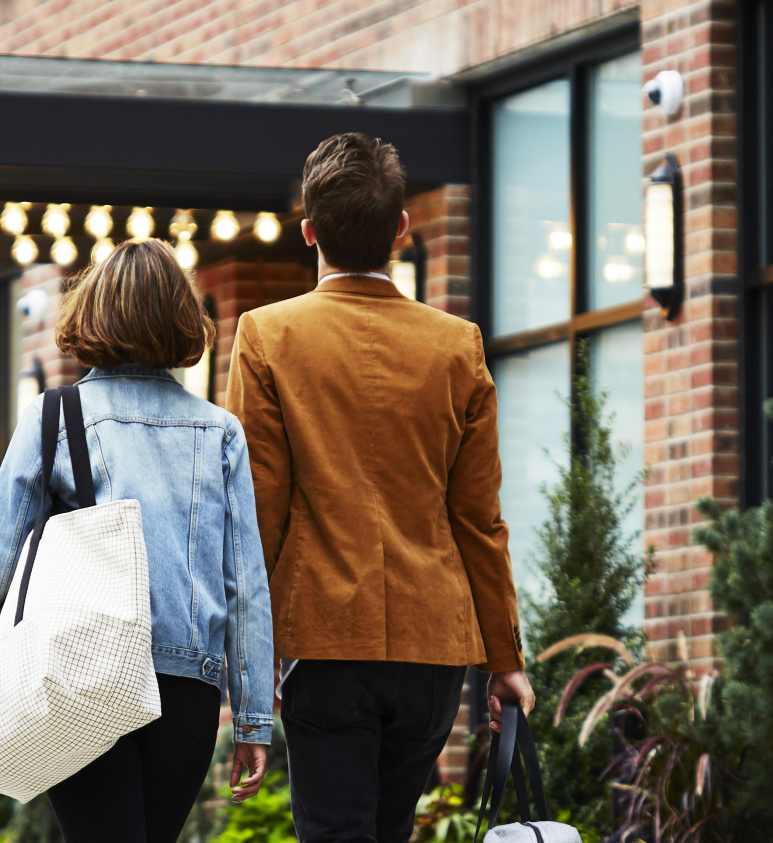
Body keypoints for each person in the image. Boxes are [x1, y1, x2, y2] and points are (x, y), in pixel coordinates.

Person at [225, 132, 536, 843]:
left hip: (325, 641)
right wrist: (505, 659)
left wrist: (249, 659)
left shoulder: (267, 335)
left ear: (308, 230)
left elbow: (258, 512)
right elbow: (479, 519)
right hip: (434, 650)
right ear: (401, 229)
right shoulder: (458, 345)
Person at [0, 239, 275, 843]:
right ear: (182, 318)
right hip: (186, 694)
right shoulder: (219, 431)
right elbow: (247, 585)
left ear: (91, 313)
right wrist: (253, 721)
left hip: (80, 678)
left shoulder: (52, 418)